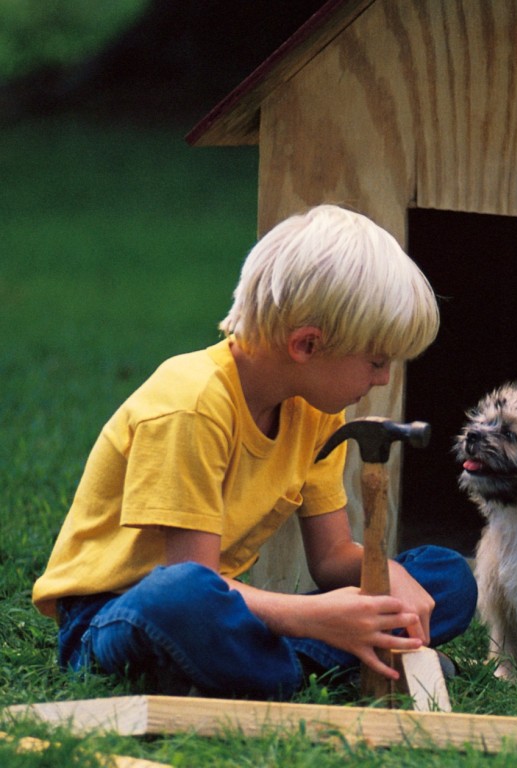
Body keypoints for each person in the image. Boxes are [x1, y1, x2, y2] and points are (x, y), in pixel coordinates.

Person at [32, 205, 477, 699]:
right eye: (376, 360)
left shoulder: (318, 410)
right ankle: (311, 667)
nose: (384, 379)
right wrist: (314, 617)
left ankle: (276, 663)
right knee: (184, 599)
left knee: (447, 577)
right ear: (307, 345)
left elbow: (331, 557)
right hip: (119, 614)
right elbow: (192, 581)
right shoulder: (192, 405)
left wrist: (389, 576)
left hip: (223, 608)